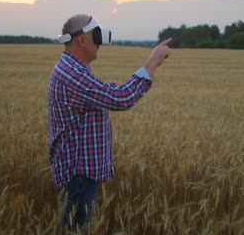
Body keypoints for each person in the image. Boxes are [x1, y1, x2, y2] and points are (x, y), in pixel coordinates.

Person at [48, 14, 171, 233]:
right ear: (82, 40)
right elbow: (120, 98)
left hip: (80, 171)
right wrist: (153, 62)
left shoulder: (74, 68)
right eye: (96, 36)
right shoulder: (72, 74)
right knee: (74, 230)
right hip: (79, 173)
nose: (100, 43)